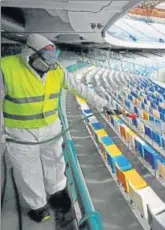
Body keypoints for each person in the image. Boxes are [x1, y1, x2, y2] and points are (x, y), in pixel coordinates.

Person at [0, 34, 113, 223]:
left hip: (51, 130)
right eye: (46, 58)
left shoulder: (57, 70)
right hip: (20, 134)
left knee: (55, 163)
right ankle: (37, 206)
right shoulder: (6, 68)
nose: (51, 64)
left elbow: (79, 88)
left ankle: (57, 193)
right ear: (31, 54)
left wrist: (103, 104)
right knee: (28, 170)